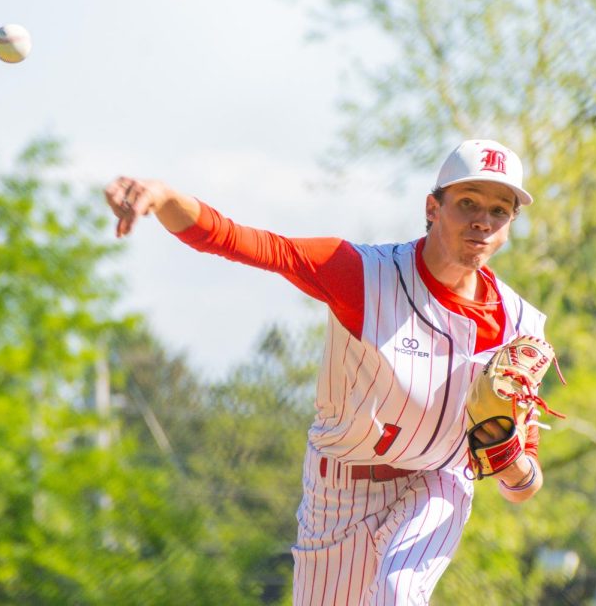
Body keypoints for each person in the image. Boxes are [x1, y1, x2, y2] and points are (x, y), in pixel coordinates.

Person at [104, 139, 555, 605]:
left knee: (398, 593)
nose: (483, 219)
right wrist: (164, 197)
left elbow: (524, 487)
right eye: (467, 203)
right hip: (340, 485)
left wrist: (510, 461)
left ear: (509, 226)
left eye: (500, 210)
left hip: (438, 481)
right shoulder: (362, 274)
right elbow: (246, 242)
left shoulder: (521, 326)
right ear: (433, 207)